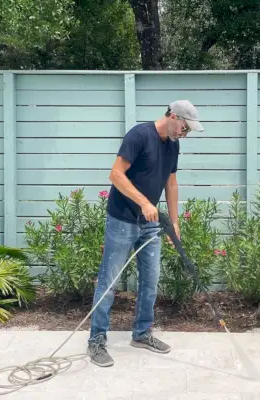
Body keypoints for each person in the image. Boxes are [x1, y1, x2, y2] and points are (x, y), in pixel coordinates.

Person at [87, 100, 204, 367]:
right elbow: (115, 175)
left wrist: (174, 223)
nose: (184, 134)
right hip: (122, 219)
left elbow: (171, 183)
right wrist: (143, 202)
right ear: (173, 116)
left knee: (151, 279)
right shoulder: (139, 135)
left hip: (151, 223)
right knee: (109, 280)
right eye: (184, 128)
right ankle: (96, 340)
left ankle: (141, 334)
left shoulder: (173, 145)